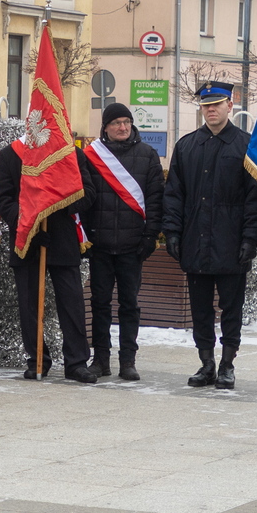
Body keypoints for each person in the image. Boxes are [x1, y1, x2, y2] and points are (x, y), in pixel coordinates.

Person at [162, 81, 257, 390]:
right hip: (196, 243)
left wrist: (251, 239)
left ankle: (227, 363)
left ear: (230, 105)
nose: (211, 110)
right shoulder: (186, 146)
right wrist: (171, 232)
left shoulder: (247, 146)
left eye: (217, 104)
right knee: (200, 309)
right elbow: (174, 195)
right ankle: (206, 362)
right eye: (206, 105)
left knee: (231, 309)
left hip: (231, 243)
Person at [78, 103, 166, 381]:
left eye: (126, 122)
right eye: (116, 122)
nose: (122, 127)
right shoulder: (91, 156)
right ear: (105, 127)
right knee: (100, 303)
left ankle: (128, 360)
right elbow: (83, 199)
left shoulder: (147, 155)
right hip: (100, 244)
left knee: (130, 304)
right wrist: (85, 237)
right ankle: (100, 359)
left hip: (132, 245)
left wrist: (150, 236)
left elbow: (155, 199)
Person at [0, 133, 92, 381]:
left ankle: (76, 362)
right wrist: (30, 221)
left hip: (62, 237)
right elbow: (3, 199)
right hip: (27, 239)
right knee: (29, 305)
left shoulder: (71, 153)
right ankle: (37, 359)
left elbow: (88, 192)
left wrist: (57, 207)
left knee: (71, 303)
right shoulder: (11, 154)